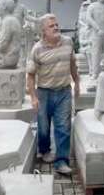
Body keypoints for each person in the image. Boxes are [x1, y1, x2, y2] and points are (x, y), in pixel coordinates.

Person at [26, 14, 80, 175]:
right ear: (43, 31)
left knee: (63, 127)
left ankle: (61, 161)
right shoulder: (37, 49)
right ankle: (43, 149)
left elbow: (72, 64)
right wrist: (33, 97)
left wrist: (77, 83)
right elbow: (30, 75)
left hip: (63, 91)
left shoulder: (68, 42)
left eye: (56, 24)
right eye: (51, 26)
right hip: (44, 93)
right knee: (43, 128)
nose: (56, 27)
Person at [0, 0, 23, 69]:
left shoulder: (8, 21)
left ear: (4, 7)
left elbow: (1, 46)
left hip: (8, 59)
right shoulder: (12, 19)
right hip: (11, 57)